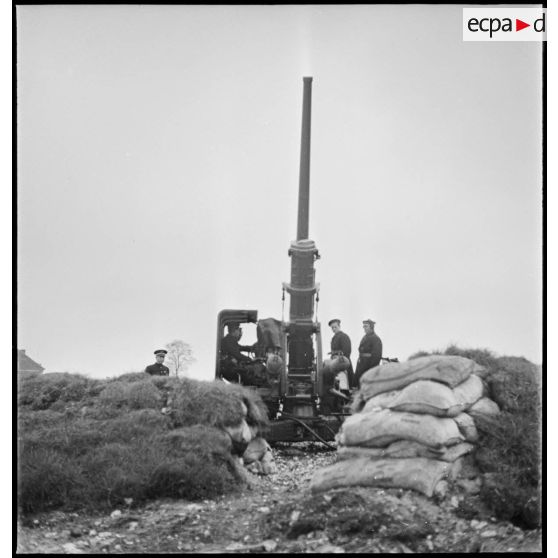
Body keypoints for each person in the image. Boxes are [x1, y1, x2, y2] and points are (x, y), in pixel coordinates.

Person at [354, 319, 383, 387]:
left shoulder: (376, 339)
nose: (364, 328)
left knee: (367, 385)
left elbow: (377, 356)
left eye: (366, 326)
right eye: (363, 326)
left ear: (371, 327)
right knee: (360, 384)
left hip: (368, 366)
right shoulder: (365, 337)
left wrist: (371, 370)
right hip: (361, 364)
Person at [328, 318, 355, 389]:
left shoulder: (344, 336)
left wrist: (340, 360)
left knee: (344, 385)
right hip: (335, 363)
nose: (333, 329)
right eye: (332, 328)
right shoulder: (334, 337)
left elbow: (347, 351)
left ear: (339, 326)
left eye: (335, 327)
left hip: (342, 363)